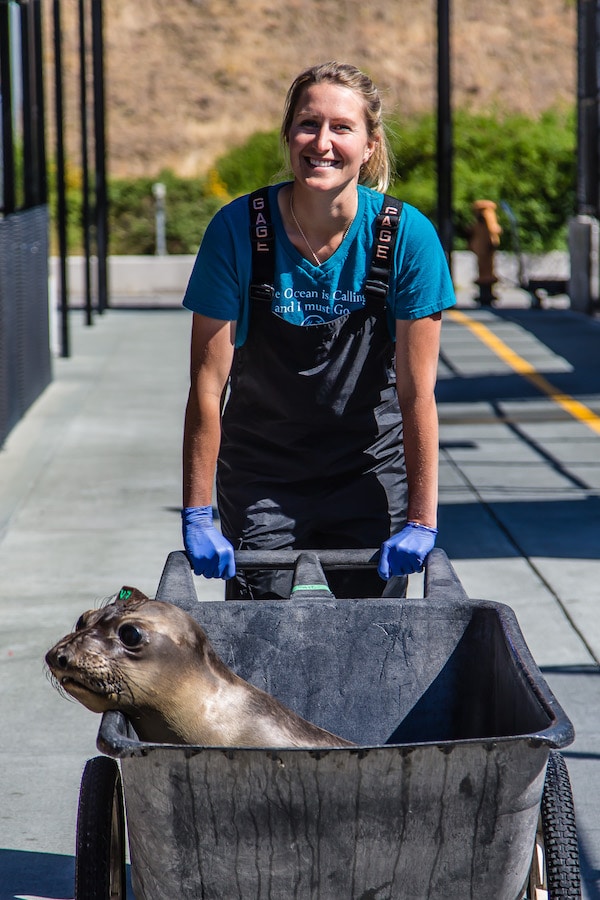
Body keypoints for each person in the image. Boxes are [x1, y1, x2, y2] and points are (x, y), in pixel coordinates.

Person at [181, 61, 456, 599]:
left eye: (342, 128)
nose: (322, 142)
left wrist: (422, 520)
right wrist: (197, 511)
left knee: (374, 643)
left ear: (370, 144)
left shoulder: (405, 237)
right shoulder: (238, 231)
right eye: (308, 124)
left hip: (368, 473)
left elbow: (417, 393)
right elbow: (208, 388)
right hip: (263, 475)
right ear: (287, 134)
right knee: (259, 635)